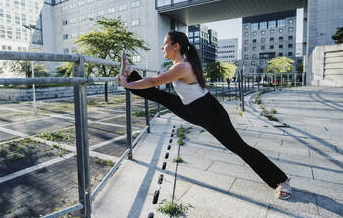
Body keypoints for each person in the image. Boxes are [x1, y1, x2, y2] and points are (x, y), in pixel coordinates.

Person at [117, 31, 291, 200]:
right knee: (162, 97)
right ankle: (130, 73)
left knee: (239, 147)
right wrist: (131, 80)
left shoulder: (183, 67)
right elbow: (154, 83)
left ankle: (281, 180)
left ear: (175, 46)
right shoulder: (178, 66)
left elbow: (154, 81)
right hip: (193, 109)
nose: (162, 48)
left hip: (210, 112)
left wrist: (126, 83)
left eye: (164, 44)